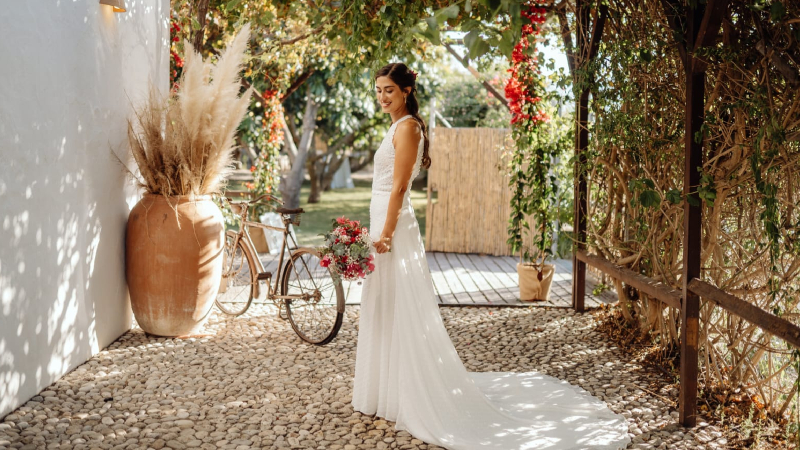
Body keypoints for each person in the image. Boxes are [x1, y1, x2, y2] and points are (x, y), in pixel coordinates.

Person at [352, 62, 631, 449]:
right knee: (382, 303)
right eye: (379, 89)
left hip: (393, 227)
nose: (383, 96)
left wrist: (384, 235)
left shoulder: (409, 127)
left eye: (389, 90)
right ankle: (385, 390)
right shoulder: (396, 126)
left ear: (406, 92)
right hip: (382, 219)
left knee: (400, 306)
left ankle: (411, 392)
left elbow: (399, 187)